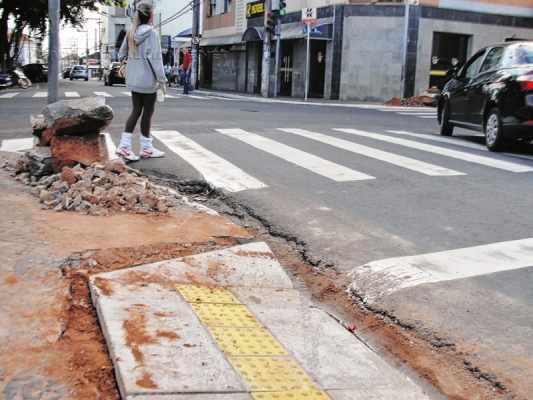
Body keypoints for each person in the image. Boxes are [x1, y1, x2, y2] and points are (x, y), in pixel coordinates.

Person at [116, 1, 166, 161]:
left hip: (134, 79)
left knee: (136, 110)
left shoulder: (131, 32)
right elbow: (156, 58)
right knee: (148, 112)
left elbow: (120, 54)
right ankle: (146, 148)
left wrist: (133, 60)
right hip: (148, 79)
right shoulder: (152, 33)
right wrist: (162, 79)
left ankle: (125, 146)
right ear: (151, 15)